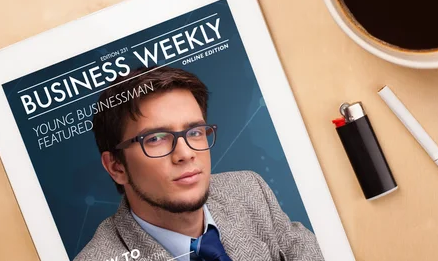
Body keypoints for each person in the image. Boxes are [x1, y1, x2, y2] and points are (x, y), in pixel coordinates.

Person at [74, 66, 324, 261]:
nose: (185, 154)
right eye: (156, 138)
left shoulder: (249, 189)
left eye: (194, 132)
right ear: (116, 167)